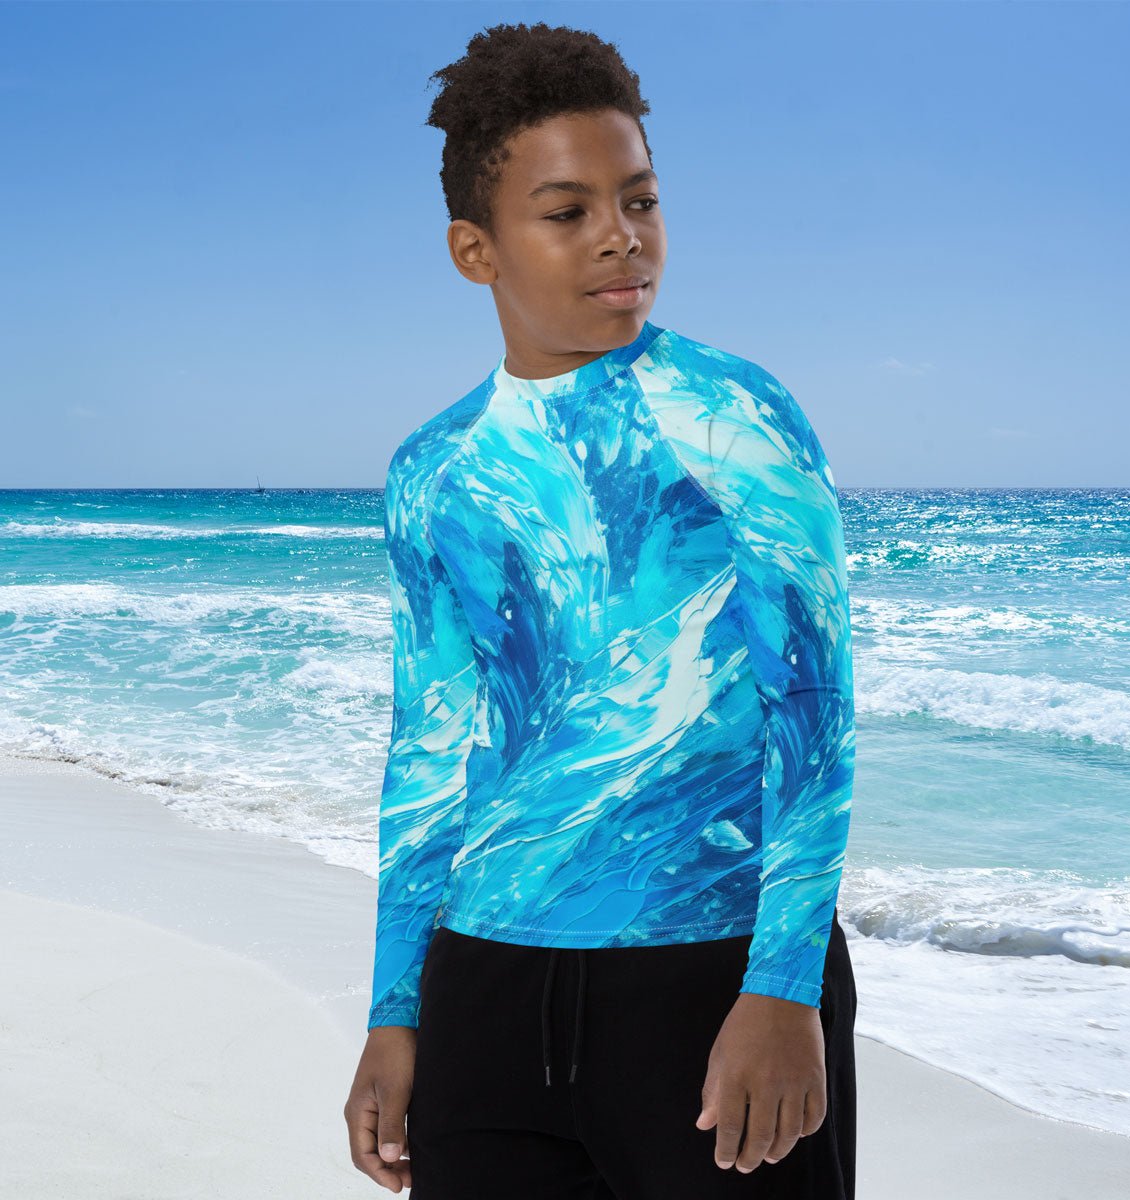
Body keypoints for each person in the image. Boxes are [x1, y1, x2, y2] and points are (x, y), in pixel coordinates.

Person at [344, 20, 857, 1199]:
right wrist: (395, 1010)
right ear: (476, 249)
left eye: (642, 199)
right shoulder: (433, 470)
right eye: (568, 212)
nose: (623, 238)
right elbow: (430, 745)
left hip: (713, 981)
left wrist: (781, 988)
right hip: (487, 984)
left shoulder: (738, 414)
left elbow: (813, 710)